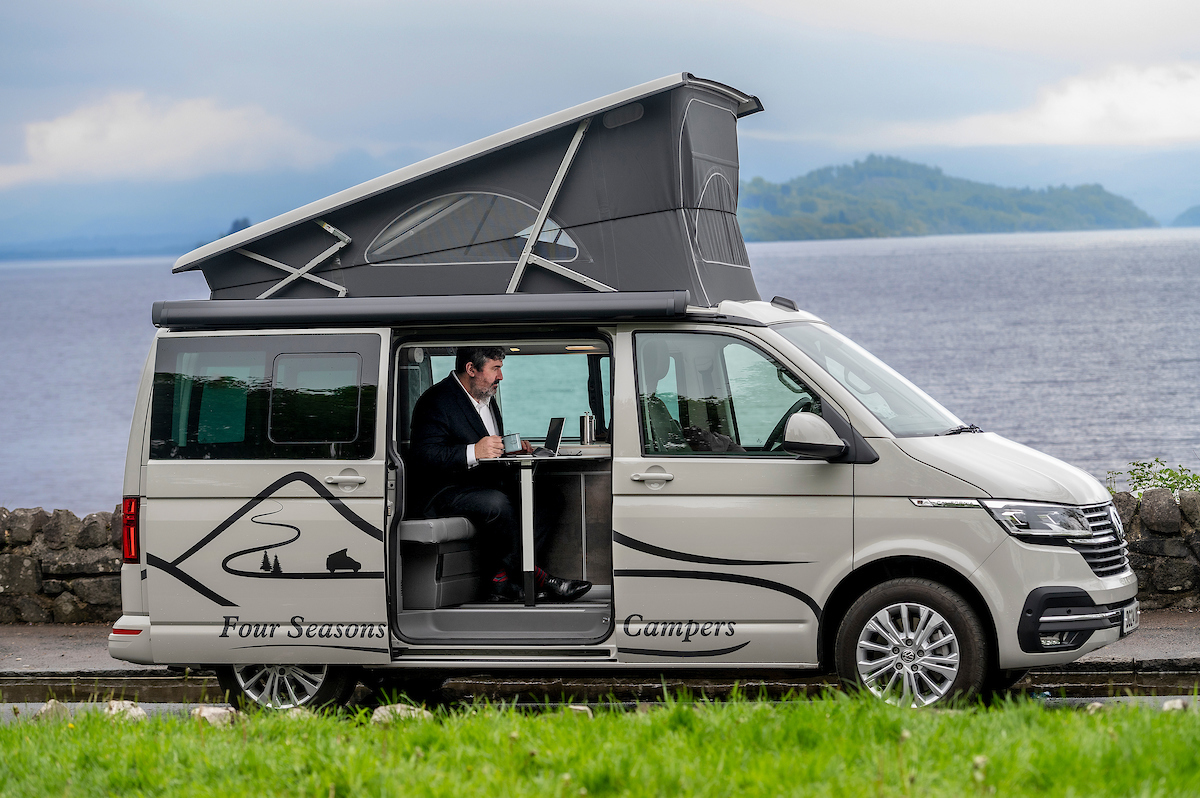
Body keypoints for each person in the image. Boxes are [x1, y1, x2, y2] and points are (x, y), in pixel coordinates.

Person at [408, 346, 592, 603]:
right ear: (471, 369)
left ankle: (506, 578)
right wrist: (473, 451)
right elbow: (424, 456)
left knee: (549, 499)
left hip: (483, 483)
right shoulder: (436, 400)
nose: (501, 377)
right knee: (497, 504)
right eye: (495, 369)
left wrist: (510, 449)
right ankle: (535, 576)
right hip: (444, 490)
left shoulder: (486, 398)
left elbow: (486, 445)